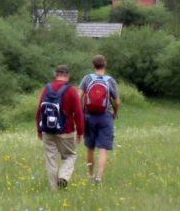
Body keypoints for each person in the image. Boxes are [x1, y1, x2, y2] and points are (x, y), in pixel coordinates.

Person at [36, 64, 84, 190]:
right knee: (70, 156)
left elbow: (39, 110)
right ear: (68, 75)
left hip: (47, 130)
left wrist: (39, 130)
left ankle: (54, 190)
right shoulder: (71, 90)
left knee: (51, 160)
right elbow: (78, 112)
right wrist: (80, 132)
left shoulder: (47, 88)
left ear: (55, 74)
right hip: (66, 131)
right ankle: (63, 177)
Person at [79, 54, 120, 185]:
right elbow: (117, 101)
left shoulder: (87, 78)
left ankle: (91, 175)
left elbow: (78, 95)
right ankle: (99, 178)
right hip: (105, 116)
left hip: (88, 116)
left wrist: (80, 112)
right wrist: (115, 112)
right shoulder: (110, 80)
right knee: (103, 149)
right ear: (105, 64)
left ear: (93, 65)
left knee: (90, 148)